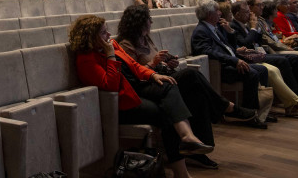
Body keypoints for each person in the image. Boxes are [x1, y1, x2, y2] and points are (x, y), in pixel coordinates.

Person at [70, 15, 214, 178]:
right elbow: (111, 86)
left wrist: (153, 75)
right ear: (91, 36)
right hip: (120, 104)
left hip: (133, 91)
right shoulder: (86, 59)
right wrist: (110, 56)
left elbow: (134, 65)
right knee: (167, 113)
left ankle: (187, 139)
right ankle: (182, 170)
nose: (109, 35)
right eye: (103, 33)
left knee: (168, 85)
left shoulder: (112, 45)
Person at [116, 4, 256, 170]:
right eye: (148, 19)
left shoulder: (146, 38)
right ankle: (226, 107)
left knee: (197, 95)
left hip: (162, 76)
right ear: (138, 22)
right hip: (150, 85)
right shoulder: (126, 45)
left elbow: (153, 62)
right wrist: (154, 64)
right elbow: (136, 73)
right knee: (191, 75)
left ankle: (198, 149)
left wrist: (167, 62)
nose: (151, 22)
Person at [221, 2, 298, 116]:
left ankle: (295, 99)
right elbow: (244, 43)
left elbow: (258, 40)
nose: (249, 14)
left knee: (284, 62)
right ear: (237, 14)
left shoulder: (245, 24)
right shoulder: (234, 25)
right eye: (246, 12)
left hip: (255, 53)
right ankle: (294, 99)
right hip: (247, 57)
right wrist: (253, 28)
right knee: (277, 64)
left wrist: (255, 28)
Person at [190, 1, 269, 122]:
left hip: (231, 61)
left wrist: (230, 32)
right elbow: (207, 51)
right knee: (252, 73)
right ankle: (249, 114)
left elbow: (228, 47)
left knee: (262, 70)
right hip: (221, 68)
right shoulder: (201, 31)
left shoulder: (214, 27)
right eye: (217, 10)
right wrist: (234, 60)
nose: (220, 13)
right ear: (209, 14)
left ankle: (261, 110)